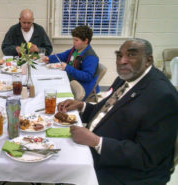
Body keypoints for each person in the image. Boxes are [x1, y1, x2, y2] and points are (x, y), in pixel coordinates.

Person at [57, 38, 178, 185]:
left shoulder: (163, 96)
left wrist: (97, 142)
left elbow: (147, 156)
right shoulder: (127, 77)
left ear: (148, 60)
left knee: (62, 169)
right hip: (102, 146)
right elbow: (105, 111)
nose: (122, 61)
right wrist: (82, 106)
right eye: (119, 56)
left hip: (127, 171)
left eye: (131, 55)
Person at [42, 25, 99, 100]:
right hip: (71, 80)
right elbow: (63, 56)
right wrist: (49, 58)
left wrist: (68, 68)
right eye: (73, 39)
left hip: (81, 88)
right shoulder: (76, 49)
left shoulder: (91, 57)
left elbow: (87, 76)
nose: (73, 42)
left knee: (51, 94)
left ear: (86, 41)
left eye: (76, 40)